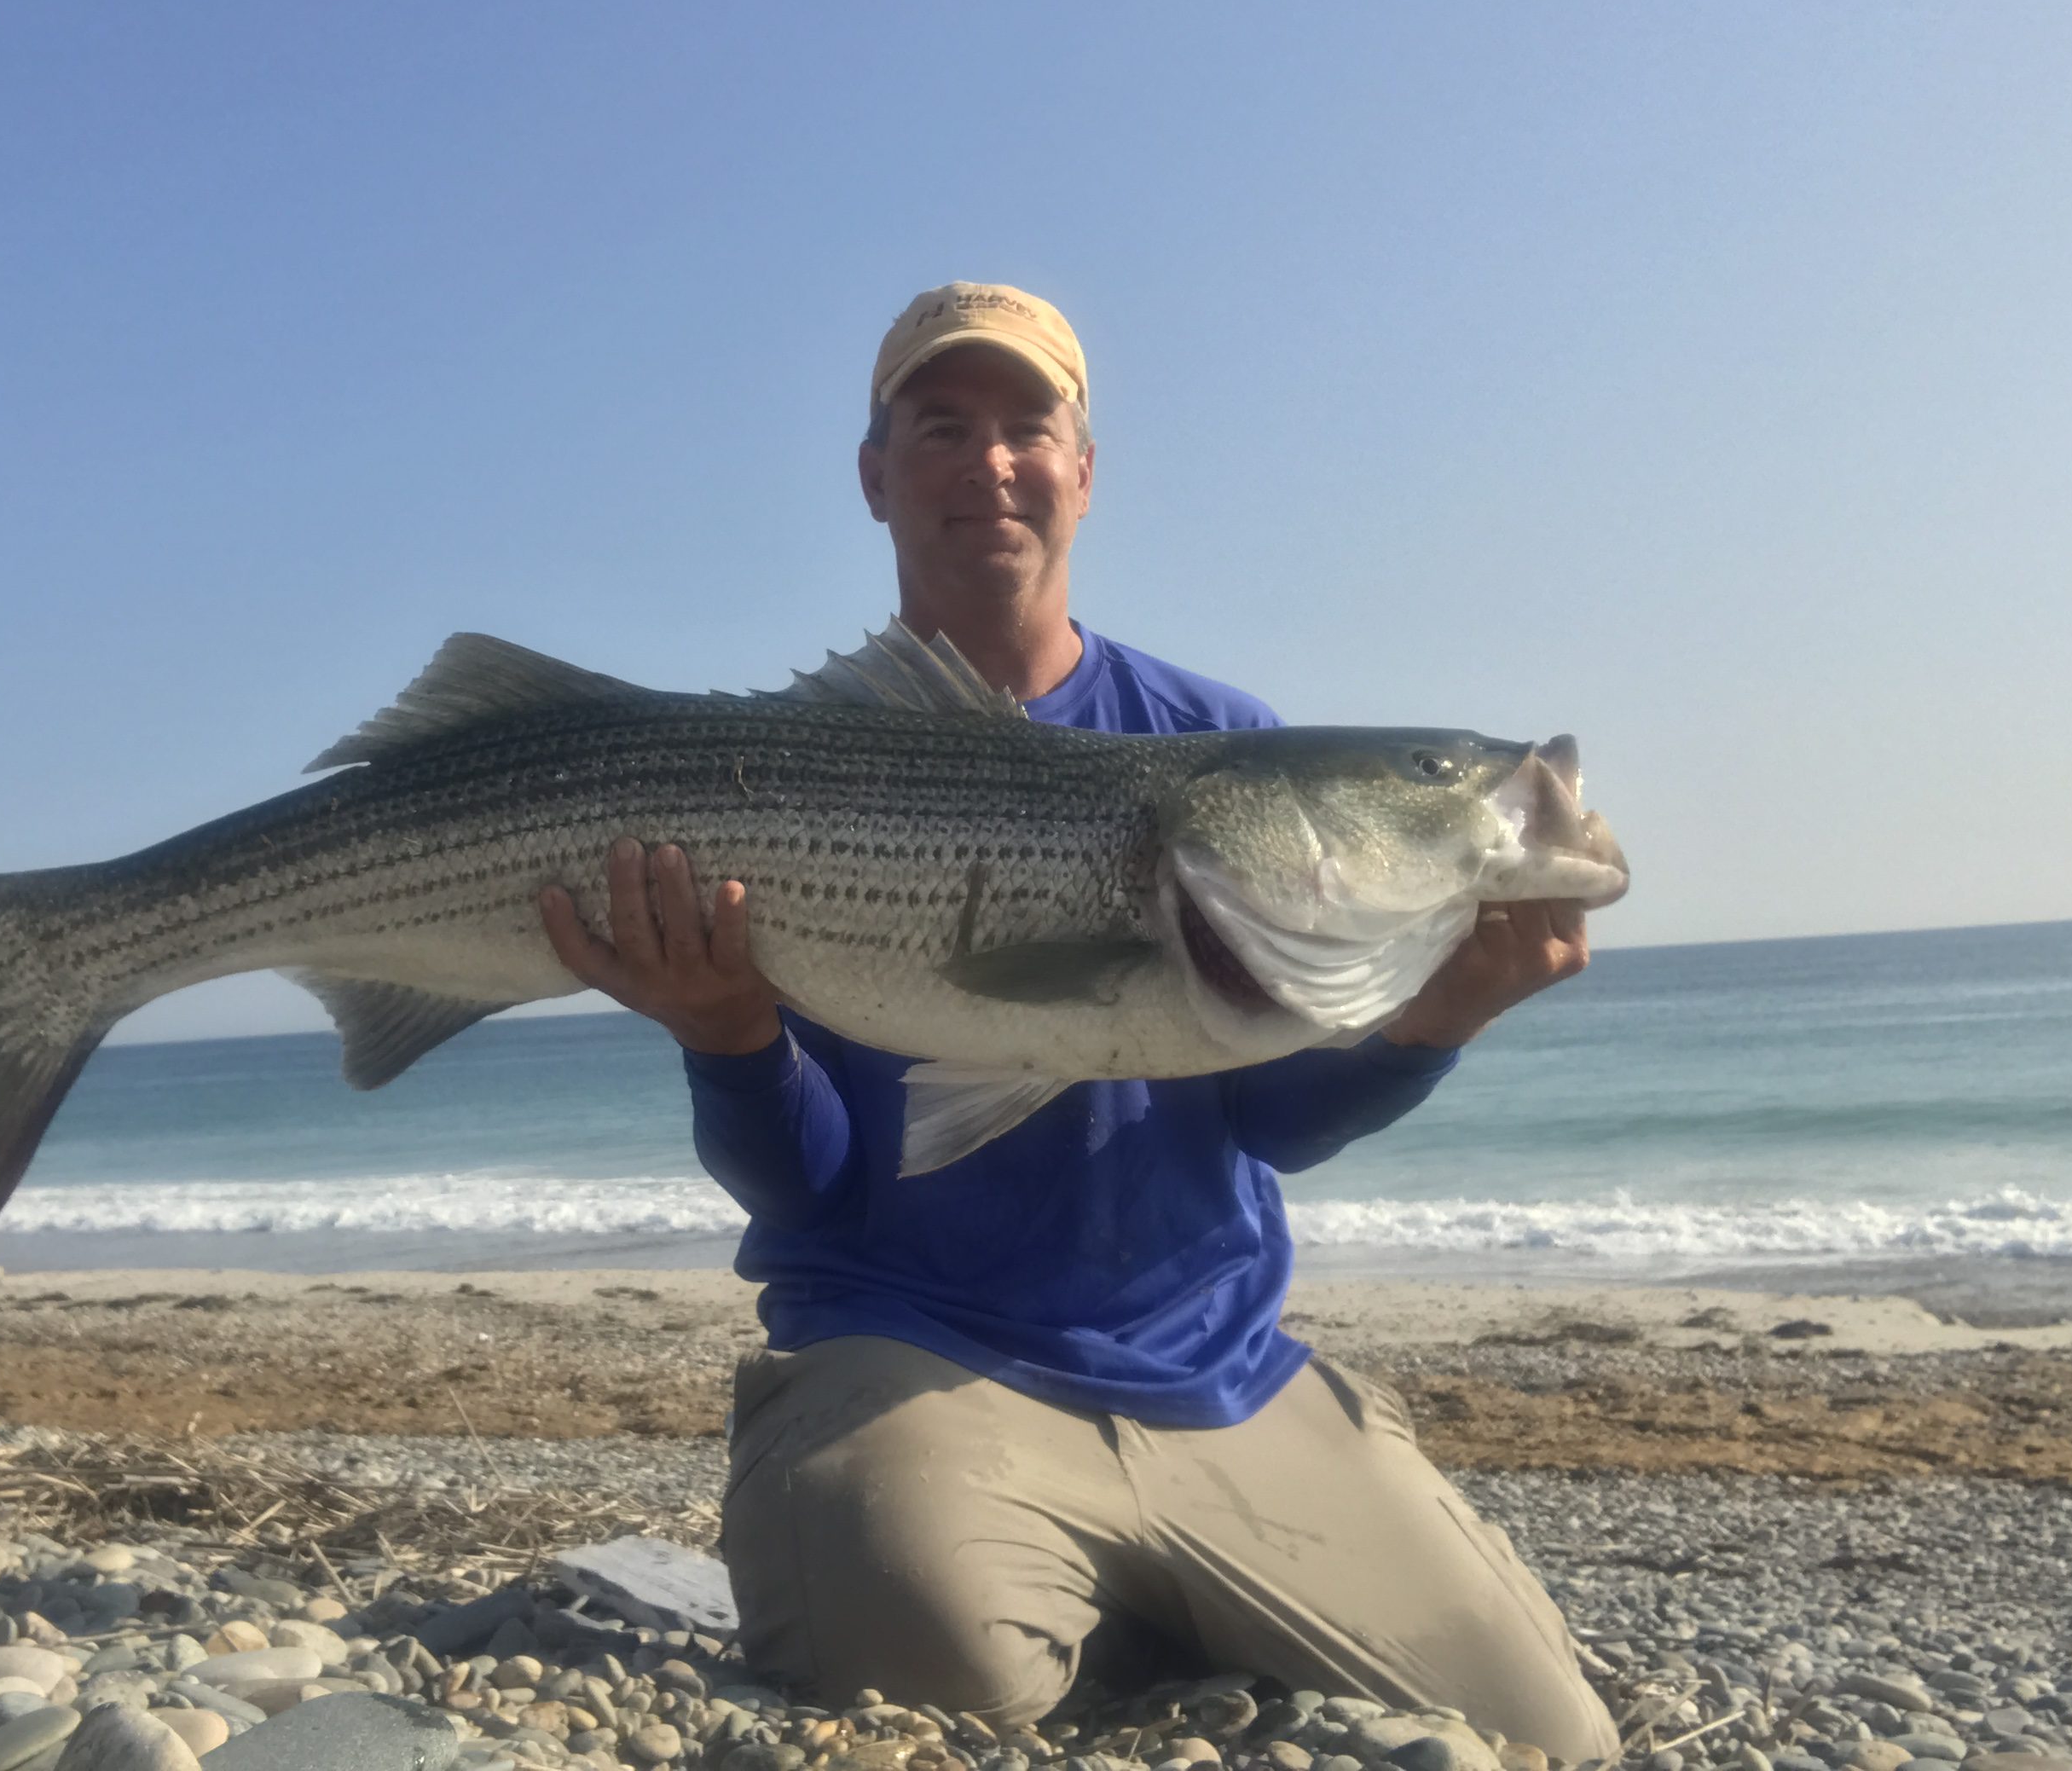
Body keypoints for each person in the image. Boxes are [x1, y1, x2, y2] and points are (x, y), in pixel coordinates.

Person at [539, 284, 1618, 1759]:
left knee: (1550, 1741)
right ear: (875, 476)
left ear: (1085, 467)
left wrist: (1430, 1023)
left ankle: (1146, 1574)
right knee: (919, 1695)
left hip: (1211, 1375)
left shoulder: (1210, 741)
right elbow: (822, 1190)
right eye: (942, 427)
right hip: (909, 1356)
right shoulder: (799, 769)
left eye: (1027, 426)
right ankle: (1025, 1562)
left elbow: (1268, 1123)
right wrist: (728, 1035)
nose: (991, 462)